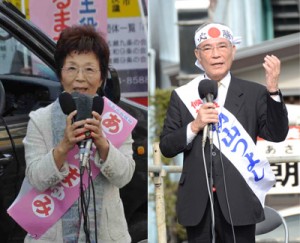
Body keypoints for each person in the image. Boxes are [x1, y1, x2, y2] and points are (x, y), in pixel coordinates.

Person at [159, 23, 289, 243]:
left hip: (239, 201)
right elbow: (167, 147)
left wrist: (273, 90)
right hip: (198, 203)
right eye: (207, 48)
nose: (216, 54)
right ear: (197, 55)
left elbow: (277, 134)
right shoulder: (183, 96)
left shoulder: (253, 93)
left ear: (233, 50)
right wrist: (195, 126)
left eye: (222, 46)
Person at [22, 25, 135, 242]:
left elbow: (124, 177)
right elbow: (36, 179)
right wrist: (63, 147)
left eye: (90, 69)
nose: (80, 78)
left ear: (102, 77)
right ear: (60, 73)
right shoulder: (40, 119)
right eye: (71, 68)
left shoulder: (115, 121)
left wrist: (103, 144)